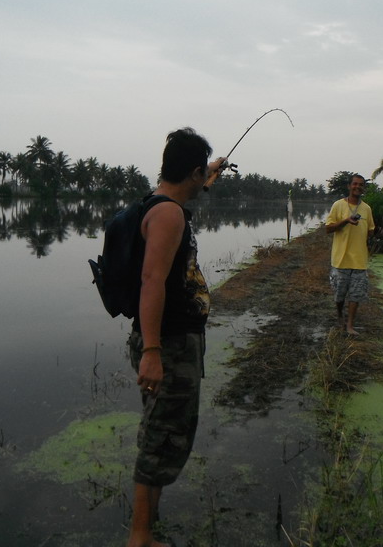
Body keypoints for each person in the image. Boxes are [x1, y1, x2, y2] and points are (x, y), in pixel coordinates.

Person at [127, 127, 225, 547]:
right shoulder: (169, 214)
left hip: (169, 341)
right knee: (160, 436)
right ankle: (140, 536)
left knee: (162, 429)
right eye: (201, 174)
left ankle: (148, 524)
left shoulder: (159, 202)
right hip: (166, 344)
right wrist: (152, 351)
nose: (204, 183)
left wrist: (211, 173)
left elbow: (192, 187)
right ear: (192, 172)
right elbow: (152, 281)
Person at [325, 173, 375, 335]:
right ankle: (340, 316)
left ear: (363, 188)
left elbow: (370, 231)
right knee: (340, 295)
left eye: (361, 185)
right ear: (349, 186)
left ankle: (350, 325)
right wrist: (346, 221)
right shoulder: (338, 205)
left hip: (359, 260)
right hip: (340, 259)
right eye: (355, 184)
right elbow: (328, 228)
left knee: (356, 294)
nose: (357, 187)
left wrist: (375, 235)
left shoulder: (366, 209)